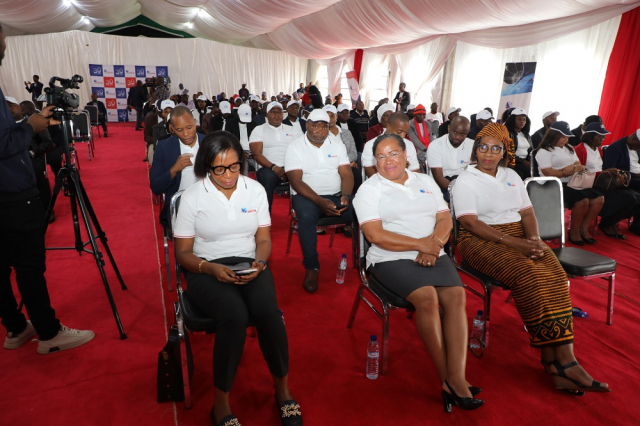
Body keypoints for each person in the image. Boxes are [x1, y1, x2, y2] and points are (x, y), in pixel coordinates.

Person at [452, 131, 610, 395]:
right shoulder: (466, 180)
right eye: (483, 148)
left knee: (556, 275)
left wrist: (534, 240)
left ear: (504, 152)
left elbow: (527, 212)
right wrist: (518, 244)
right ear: (475, 150)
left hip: (520, 236)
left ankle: (560, 361)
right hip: (480, 240)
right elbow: (469, 223)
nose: (489, 154)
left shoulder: (512, 176)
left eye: (495, 148)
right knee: (531, 276)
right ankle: (560, 363)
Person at [173, 132, 302, 426]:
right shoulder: (192, 197)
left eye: (234, 166)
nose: (228, 175)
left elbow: (264, 239)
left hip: (249, 263)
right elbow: (183, 253)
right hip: (205, 268)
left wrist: (260, 262)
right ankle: (221, 405)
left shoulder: (254, 190)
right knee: (234, 315)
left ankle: (282, 391)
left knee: (269, 312)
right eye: (219, 168)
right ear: (207, 167)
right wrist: (210, 268)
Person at [354, 133, 483, 412]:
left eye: (393, 153)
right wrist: (419, 244)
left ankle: (458, 377)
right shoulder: (369, 189)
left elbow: (444, 218)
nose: (388, 161)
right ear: (374, 162)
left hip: (433, 251)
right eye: (381, 156)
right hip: (390, 258)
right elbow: (375, 235)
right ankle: (447, 379)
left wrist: (433, 245)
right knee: (426, 298)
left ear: (406, 155)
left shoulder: (424, 181)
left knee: (457, 297)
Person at [0, 24, 95, 355]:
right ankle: (49, 333)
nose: (5, 47)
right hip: (13, 194)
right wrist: (31, 126)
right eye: (2, 41)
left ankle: (15, 328)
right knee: (29, 266)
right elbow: (3, 141)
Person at [284, 109, 354, 293]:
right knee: (306, 218)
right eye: (315, 126)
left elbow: (346, 173)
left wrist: (346, 195)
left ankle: (366, 262)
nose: (319, 131)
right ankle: (312, 267)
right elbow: (295, 181)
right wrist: (320, 201)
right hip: (307, 196)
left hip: (336, 195)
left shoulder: (337, 144)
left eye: (324, 127)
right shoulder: (295, 147)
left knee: (364, 210)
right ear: (307, 125)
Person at [534, 121, 604, 245]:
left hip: (572, 182)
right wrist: (565, 172)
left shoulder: (569, 148)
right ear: (554, 135)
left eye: (567, 137)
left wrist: (571, 169)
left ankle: (584, 227)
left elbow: (578, 164)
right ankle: (574, 231)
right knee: (583, 201)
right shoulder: (545, 150)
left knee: (599, 198)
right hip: (552, 185)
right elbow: (547, 172)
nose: (565, 139)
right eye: (563, 137)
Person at [575, 123, 640, 238]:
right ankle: (606, 222)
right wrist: (609, 172)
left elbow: (602, 170)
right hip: (589, 183)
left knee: (635, 197)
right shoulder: (580, 149)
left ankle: (611, 222)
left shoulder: (598, 149)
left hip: (600, 181)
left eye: (603, 137)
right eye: (599, 136)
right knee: (629, 197)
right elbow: (581, 172)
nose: (603, 139)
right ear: (590, 136)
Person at [150, 106, 205, 229]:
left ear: (195, 122)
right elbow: (155, 187)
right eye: (179, 130)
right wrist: (174, 169)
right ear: (172, 129)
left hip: (208, 202)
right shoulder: (164, 147)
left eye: (189, 128)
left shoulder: (209, 143)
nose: (185, 134)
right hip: (180, 206)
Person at [249, 101, 301, 212]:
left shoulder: (292, 130)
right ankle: (265, 215)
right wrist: (274, 167)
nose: (277, 115)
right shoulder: (259, 130)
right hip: (268, 168)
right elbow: (257, 154)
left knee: (310, 176)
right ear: (267, 114)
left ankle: (302, 213)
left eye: (279, 112)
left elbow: (300, 150)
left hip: (290, 167)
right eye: (273, 112)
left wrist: (291, 167)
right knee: (268, 177)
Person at [8, 98, 54, 214]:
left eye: (11, 105)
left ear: (20, 108)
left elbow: (48, 142)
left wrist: (32, 152)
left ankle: (47, 210)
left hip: (32, 158)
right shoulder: (6, 127)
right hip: (10, 161)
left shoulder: (32, 123)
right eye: (5, 106)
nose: (9, 109)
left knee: (37, 173)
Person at [362, 112, 421, 178]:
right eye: (399, 132)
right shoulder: (370, 145)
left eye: (406, 132)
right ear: (388, 126)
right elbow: (372, 175)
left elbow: (415, 172)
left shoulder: (409, 145)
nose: (403, 136)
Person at [427, 116, 473, 200]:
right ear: (449, 128)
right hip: (441, 183)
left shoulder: (472, 145)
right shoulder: (435, 146)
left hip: (463, 183)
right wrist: (456, 190)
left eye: (462, 134)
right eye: (455, 132)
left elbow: (474, 172)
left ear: (467, 133)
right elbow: (438, 177)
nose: (457, 137)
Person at [325, 105, 361, 195]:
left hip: (347, 165)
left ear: (336, 117)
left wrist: (346, 163)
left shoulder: (346, 133)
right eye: (327, 116)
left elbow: (353, 152)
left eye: (332, 116)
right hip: (330, 165)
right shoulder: (321, 135)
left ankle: (356, 198)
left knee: (356, 173)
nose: (330, 119)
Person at [602, 129, 640, 193]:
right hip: (626, 179)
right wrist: (636, 175)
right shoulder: (615, 148)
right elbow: (609, 171)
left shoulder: (635, 147)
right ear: (633, 140)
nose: (639, 149)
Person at [505, 108, 533, 179]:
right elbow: (508, 152)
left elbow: (531, 150)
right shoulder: (507, 133)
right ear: (513, 120)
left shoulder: (526, 134)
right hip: (513, 162)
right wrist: (524, 162)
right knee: (527, 172)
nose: (522, 122)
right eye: (519, 119)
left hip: (526, 161)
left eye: (524, 119)